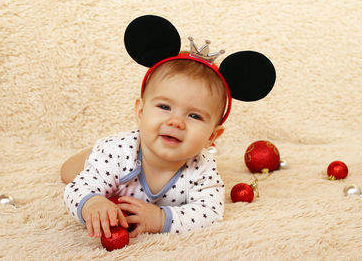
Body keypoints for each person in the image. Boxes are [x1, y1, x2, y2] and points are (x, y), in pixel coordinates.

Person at [62, 15, 275, 240]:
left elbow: (210, 211)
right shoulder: (117, 154)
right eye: (164, 106)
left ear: (212, 136)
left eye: (194, 115)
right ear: (141, 112)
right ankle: (89, 153)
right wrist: (92, 203)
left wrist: (161, 219)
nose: (176, 122)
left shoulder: (202, 169)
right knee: (69, 172)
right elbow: (77, 189)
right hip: (111, 156)